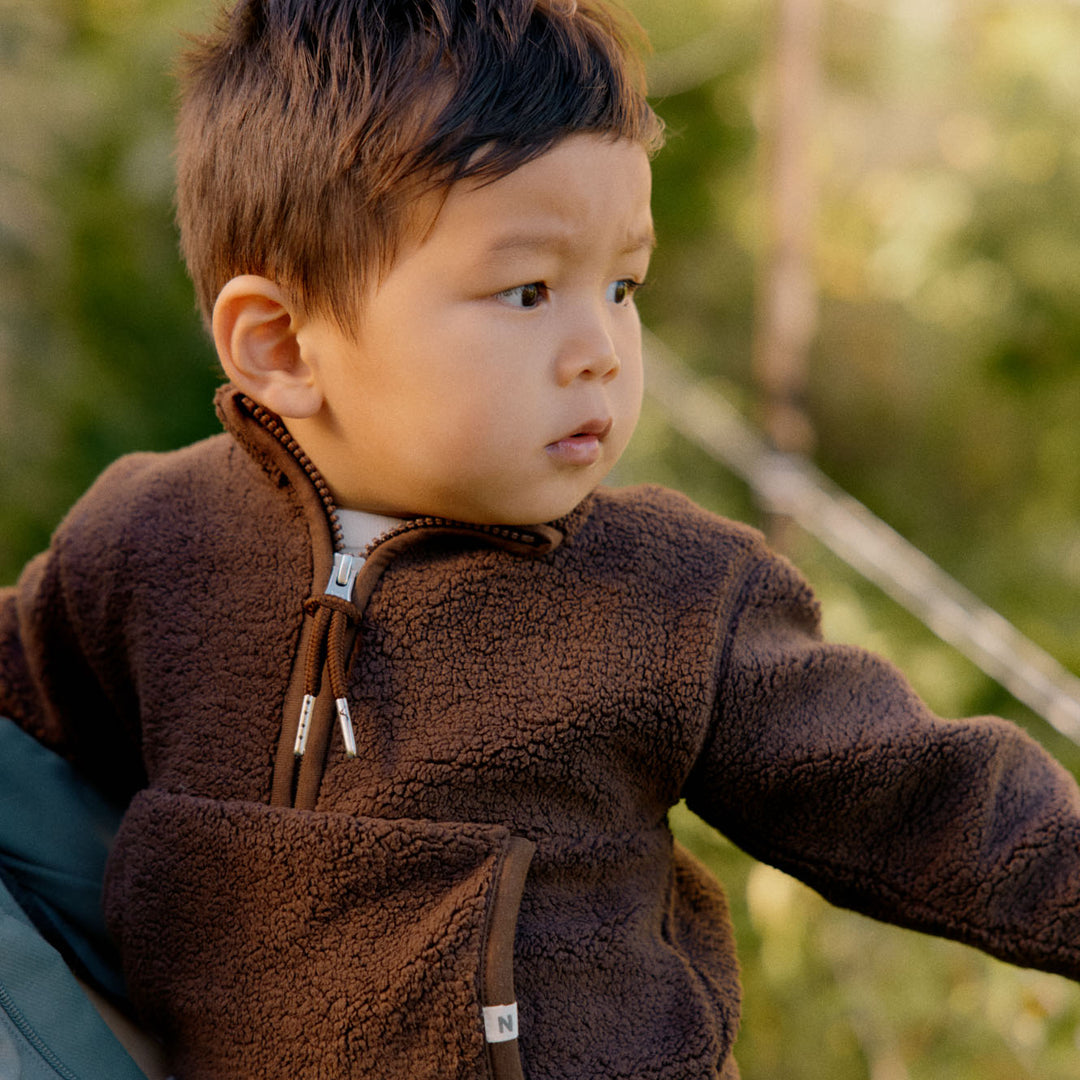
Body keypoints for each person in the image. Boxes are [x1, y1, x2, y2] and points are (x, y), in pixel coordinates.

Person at [2, 1, 1080, 1078]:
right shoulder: (150, 547)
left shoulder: (670, 594)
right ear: (281, 342)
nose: (602, 349)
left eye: (621, 286)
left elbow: (921, 793)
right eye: (528, 290)